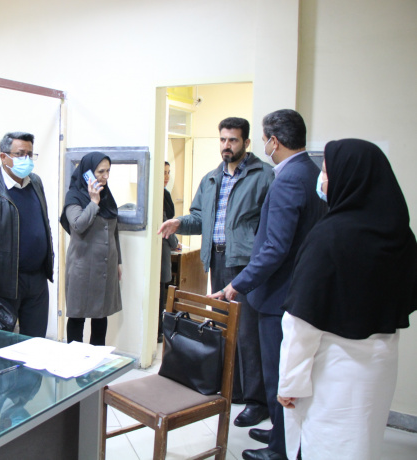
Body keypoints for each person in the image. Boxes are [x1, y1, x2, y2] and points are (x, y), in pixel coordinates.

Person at [276, 139, 417, 460]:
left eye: (326, 172)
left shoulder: (329, 237)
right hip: (379, 368)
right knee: (363, 442)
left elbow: (301, 324)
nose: (322, 180)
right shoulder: (401, 236)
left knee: (328, 444)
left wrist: (290, 384)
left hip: (333, 371)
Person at [212, 110, 327, 460]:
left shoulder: (287, 178)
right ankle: (280, 432)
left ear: (273, 141)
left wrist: (238, 284)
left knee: (280, 376)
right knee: (286, 372)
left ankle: (280, 449)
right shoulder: (310, 171)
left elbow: (275, 247)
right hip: (295, 289)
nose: (265, 146)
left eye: (264, 140)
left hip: (278, 295)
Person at [158, 117, 273, 428]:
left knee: (247, 333)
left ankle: (257, 400)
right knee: (222, 328)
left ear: (246, 143)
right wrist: (179, 223)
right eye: (223, 139)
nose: (226, 146)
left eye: (233, 140)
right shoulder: (211, 179)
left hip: (246, 263)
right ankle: (232, 388)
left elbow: (270, 224)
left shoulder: (264, 176)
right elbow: (199, 218)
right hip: (217, 260)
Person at [0, 132, 54, 338]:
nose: (26, 159)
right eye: (20, 154)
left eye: (30, 154)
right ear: (3, 157)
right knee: (0, 346)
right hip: (4, 285)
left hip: (37, 280)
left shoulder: (36, 183)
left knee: (36, 342)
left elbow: (44, 224)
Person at [60, 152, 122, 346]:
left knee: (101, 316)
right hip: (82, 267)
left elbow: (114, 231)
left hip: (105, 266)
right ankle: (75, 359)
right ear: (87, 173)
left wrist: (118, 262)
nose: (105, 176)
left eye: (108, 171)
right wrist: (94, 202)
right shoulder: (74, 196)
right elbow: (78, 225)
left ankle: (97, 359)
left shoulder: (107, 195)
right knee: (77, 316)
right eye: (100, 172)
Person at [158, 161, 179, 343]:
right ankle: (158, 331)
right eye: (163, 172)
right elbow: (165, 222)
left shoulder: (165, 194)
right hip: (161, 249)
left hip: (165, 247)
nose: (166, 177)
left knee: (161, 293)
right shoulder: (158, 195)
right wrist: (175, 242)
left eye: (168, 172)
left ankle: (159, 329)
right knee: (159, 295)